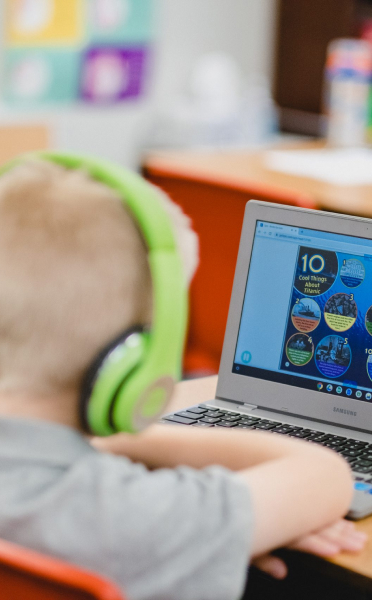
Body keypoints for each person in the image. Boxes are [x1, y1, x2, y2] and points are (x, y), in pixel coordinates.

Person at [0, 157, 365, 600]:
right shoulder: (139, 519)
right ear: (135, 361)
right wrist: (121, 438)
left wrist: (214, 545)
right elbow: (326, 475)